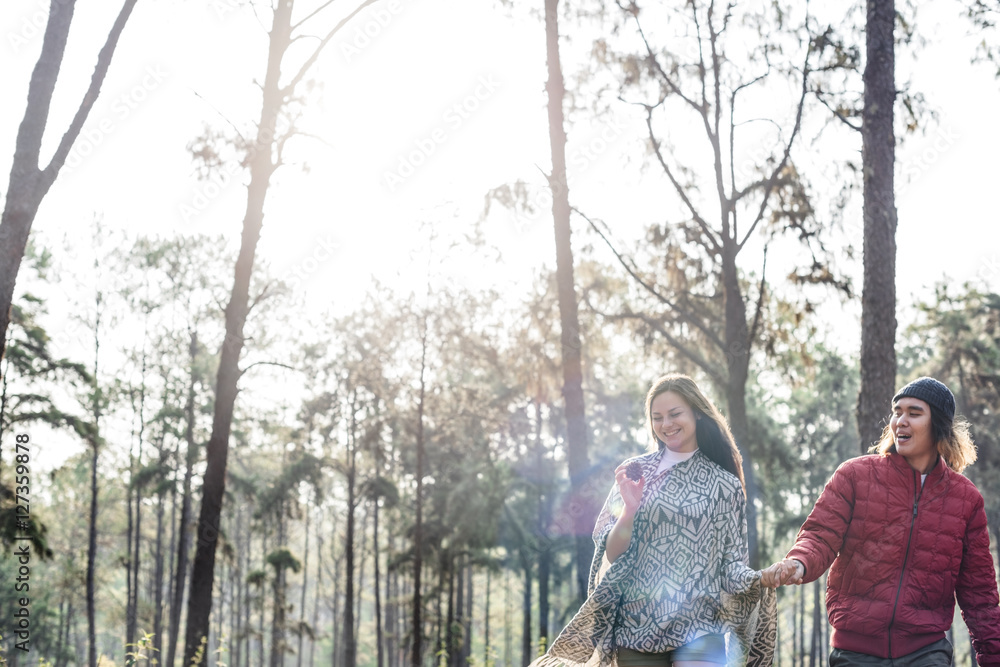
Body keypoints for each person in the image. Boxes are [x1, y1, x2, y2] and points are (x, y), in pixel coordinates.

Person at [532, 374, 775, 667]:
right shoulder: (635, 472)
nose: (666, 424)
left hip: (702, 629)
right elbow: (611, 554)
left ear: (697, 413)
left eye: (675, 414)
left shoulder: (725, 485)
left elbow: (731, 565)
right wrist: (630, 510)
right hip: (637, 627)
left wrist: (761, 578)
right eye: (657, 417)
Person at [762, 376, 1000, 665]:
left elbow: (979, 592)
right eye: (897, 411)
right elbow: (820, 535)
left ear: (938, 426)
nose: (901, 420)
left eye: (914, 413)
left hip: (926, 652)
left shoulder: (966, 499)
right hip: (855, 650)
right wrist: (799, 562)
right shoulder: (854, 475)